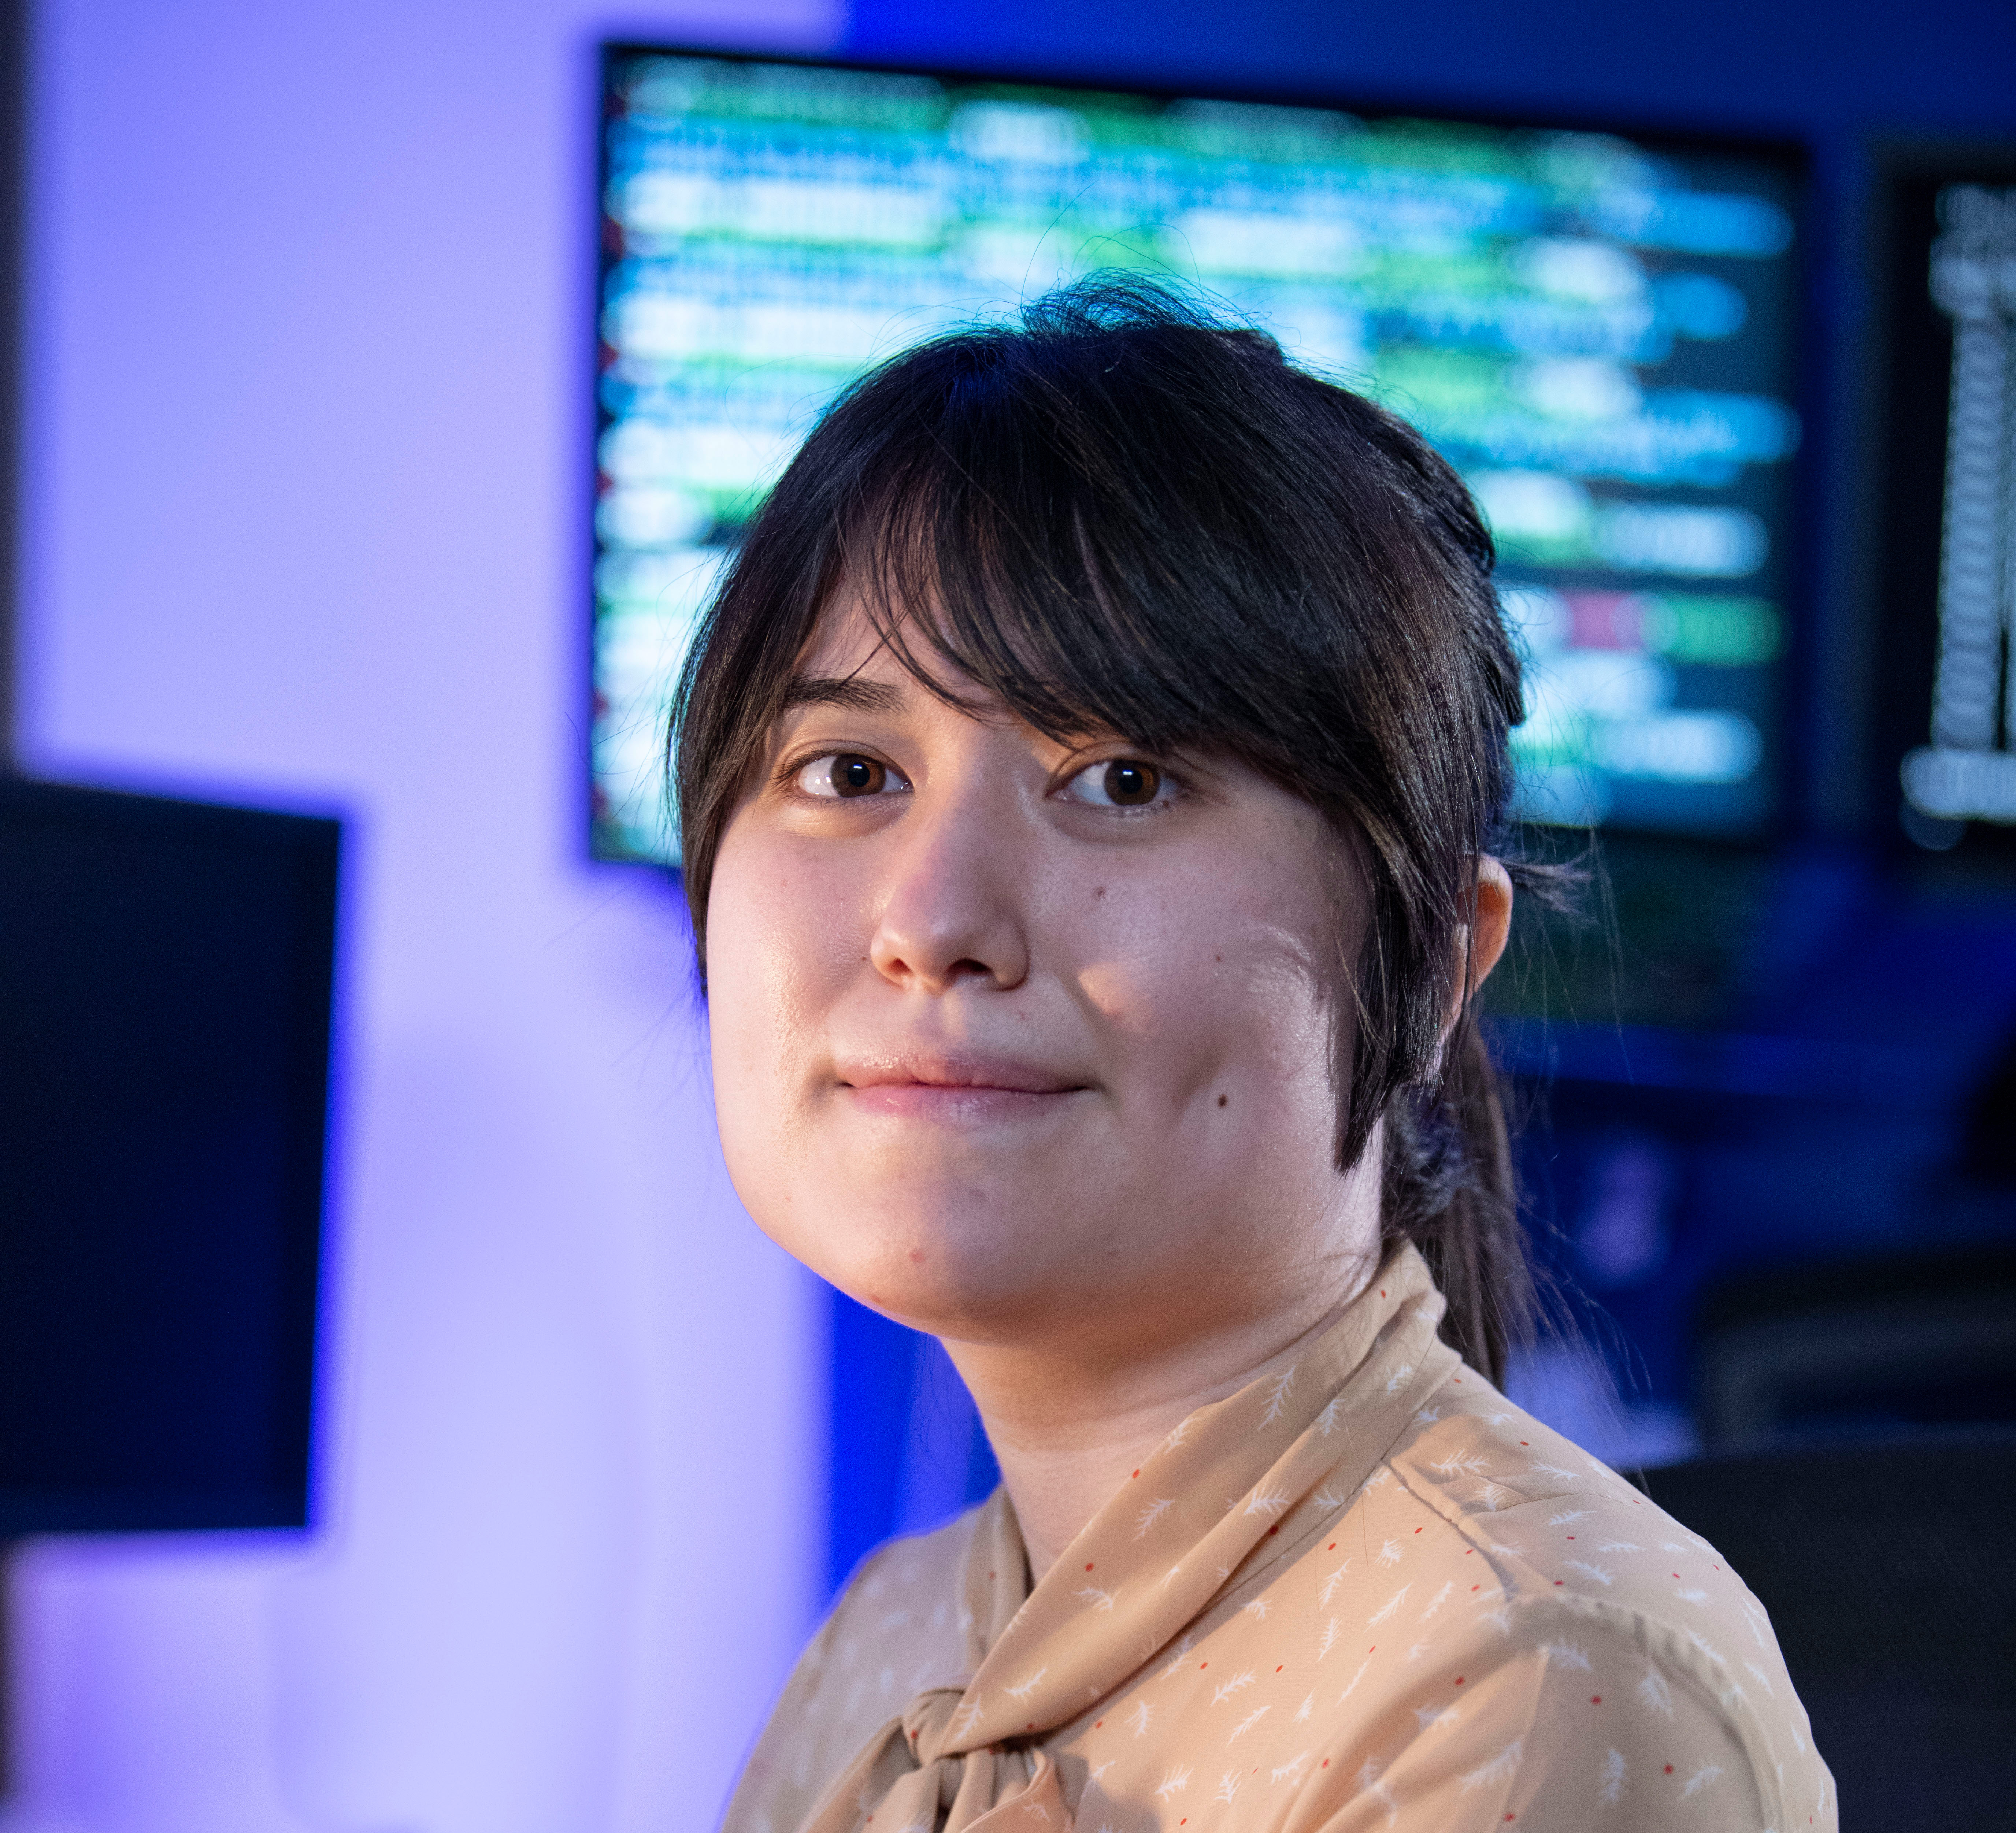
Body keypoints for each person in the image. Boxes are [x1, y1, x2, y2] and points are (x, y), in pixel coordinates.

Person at [675, 279, 1834, 1833]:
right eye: (848, 769)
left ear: (1426, 960)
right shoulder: (893, 1639)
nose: (933, 919)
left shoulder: (1516, 1687)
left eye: (1123, 777)